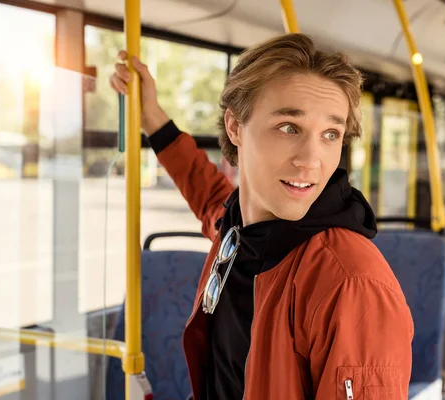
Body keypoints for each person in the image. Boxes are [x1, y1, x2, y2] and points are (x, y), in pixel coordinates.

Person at [110, 33, 413, 400]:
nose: (311, 160)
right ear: (235, 127)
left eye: (331, 134)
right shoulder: (238, 230)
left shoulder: (351, 284)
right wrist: (152, 118)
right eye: (289, 127)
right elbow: (207, 193)